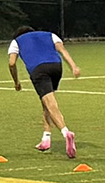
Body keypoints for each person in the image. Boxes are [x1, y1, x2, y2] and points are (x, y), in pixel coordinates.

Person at [7, 26, 82, 157]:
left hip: (39, 70)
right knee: (45, 102)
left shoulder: (16, 41)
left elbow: (12, 63)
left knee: (50, 103)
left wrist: (16, 82)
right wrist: (73, 66)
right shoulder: (50, 35)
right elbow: (62, 50)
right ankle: (46, 138)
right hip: (56, 67)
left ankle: (66, 133)